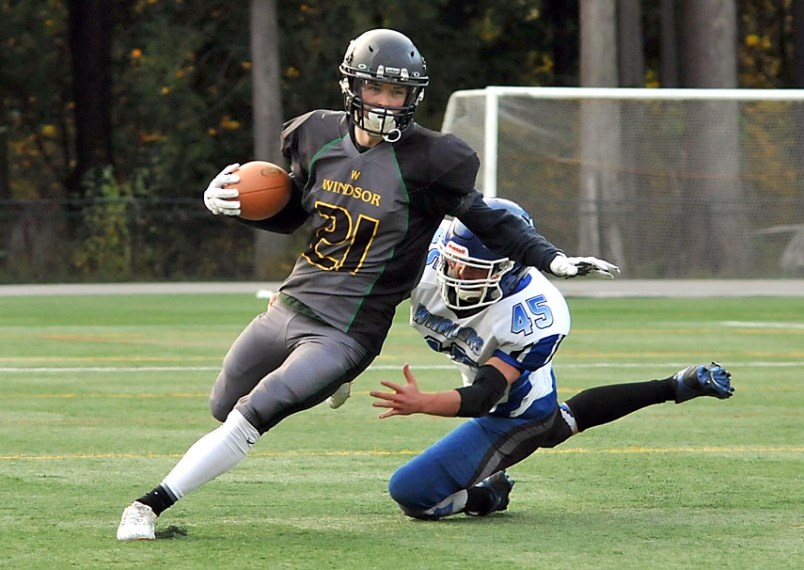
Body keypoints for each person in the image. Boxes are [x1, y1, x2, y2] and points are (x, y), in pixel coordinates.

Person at [116, 29, 617, 541]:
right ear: (352, 86)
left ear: (412, 97)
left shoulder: (433, 160)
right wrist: (232, 208)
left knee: (252, 414)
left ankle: (147, 507)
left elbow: (490, 221)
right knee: (222, 407)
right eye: (376, 89)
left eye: (397, 93)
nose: (384, 102)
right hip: (291, 303)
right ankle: (328, 385)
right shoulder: (313, 133)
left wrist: (550, 257)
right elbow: (293, 215)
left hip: (348, 330)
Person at [369, 198, 734, 519]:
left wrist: (422, 403)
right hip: (495, 386)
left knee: (413, 493)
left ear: (507, 269)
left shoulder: (535, 315)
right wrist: (345, 359)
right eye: (455, 261)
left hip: (514, 410)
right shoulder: (431, 256)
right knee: (558, 427)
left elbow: (484, 397)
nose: (459, 273)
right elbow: (369, 298)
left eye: (475, 268)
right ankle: (676, 385)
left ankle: (487, 496)